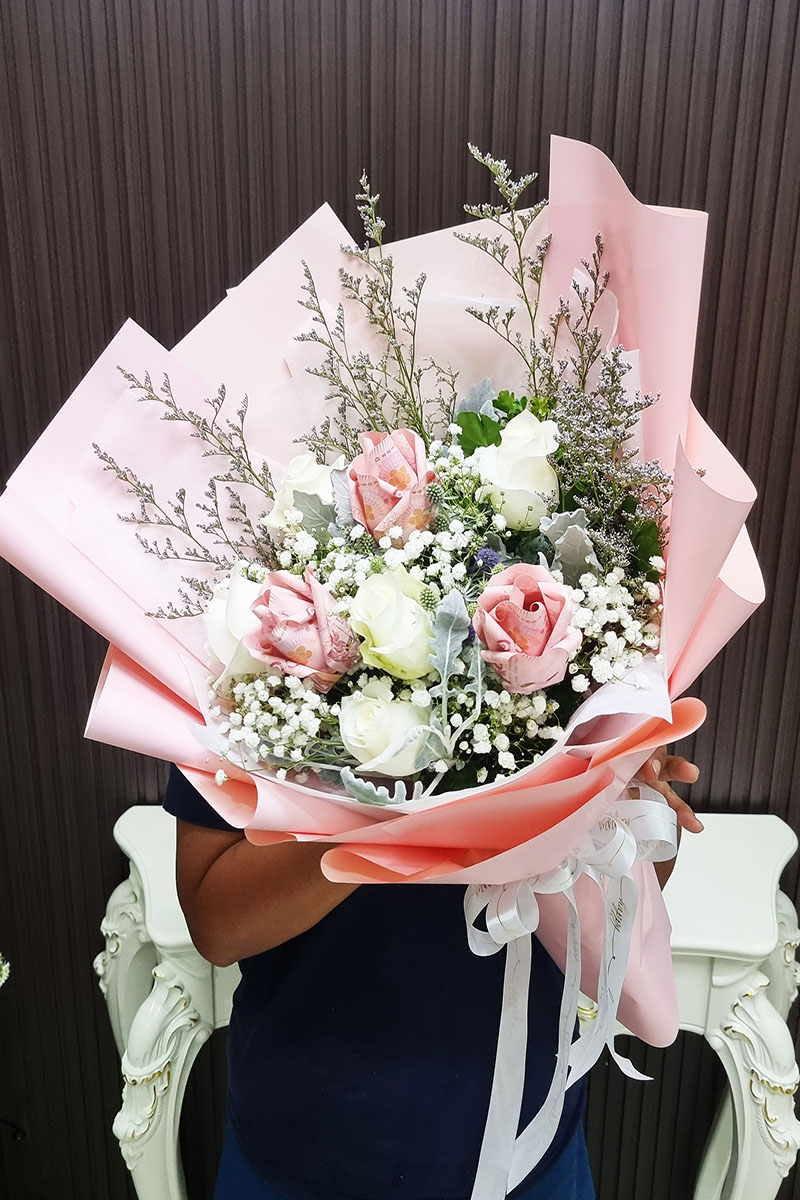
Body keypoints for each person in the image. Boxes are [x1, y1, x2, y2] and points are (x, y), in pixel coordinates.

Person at [164, 747, 701, 1200]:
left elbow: (634, 885)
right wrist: (389, 800)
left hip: (526, 1132)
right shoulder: (237, 662)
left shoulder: (602, 659)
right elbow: (218, 926)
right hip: (310, 1137)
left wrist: (626, 804)